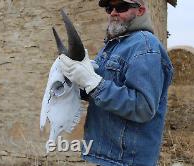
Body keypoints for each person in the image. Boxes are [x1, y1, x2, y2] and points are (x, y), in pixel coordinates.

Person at [59, 0, 174, 165]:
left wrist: (94, 83)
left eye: (121, 7)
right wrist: (76, 81)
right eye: (109, 8)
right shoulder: (114, 45)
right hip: (107, 155)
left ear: (140, 11)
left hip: (127, 160)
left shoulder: (145, 46)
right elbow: (100, 95)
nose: (113, 12)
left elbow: (143, 107)